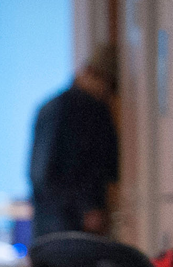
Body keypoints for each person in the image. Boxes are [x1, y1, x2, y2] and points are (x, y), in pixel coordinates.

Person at [29, 44, 119, 239]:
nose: (107, 95)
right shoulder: (86, 109)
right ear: (92, 74)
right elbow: (75, 167)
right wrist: (87, 208)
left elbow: (39, 173)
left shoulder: (50, 107)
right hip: (71, 225)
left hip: (48, 226)